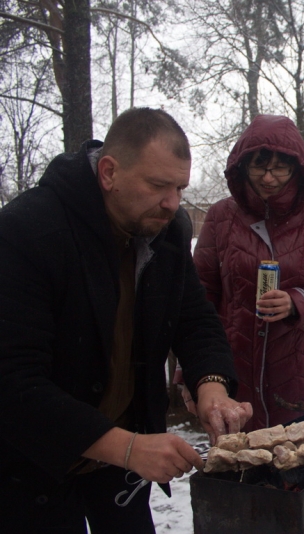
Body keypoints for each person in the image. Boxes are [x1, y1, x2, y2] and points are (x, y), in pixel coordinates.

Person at [0, 107, 253, 533]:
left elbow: (195, 320)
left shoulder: (167, 230)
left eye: (179, 187)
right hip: (30, 467)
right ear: (108, 172)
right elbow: (13, 383)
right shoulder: (26, 232)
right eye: (158, 185)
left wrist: (212, 387)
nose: (172, 203)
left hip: (119, 466)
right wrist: (129, 447)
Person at [190, 114, 304, 430]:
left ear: (297, 167)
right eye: (259, 166)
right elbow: (199, 297)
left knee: (298, 463)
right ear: (242, 166)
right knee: (241, 463)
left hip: (301, 373)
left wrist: (299, 302)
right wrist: (192, 372)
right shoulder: (220, 217)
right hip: (234, 371)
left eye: (280, 167)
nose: (269, 178)